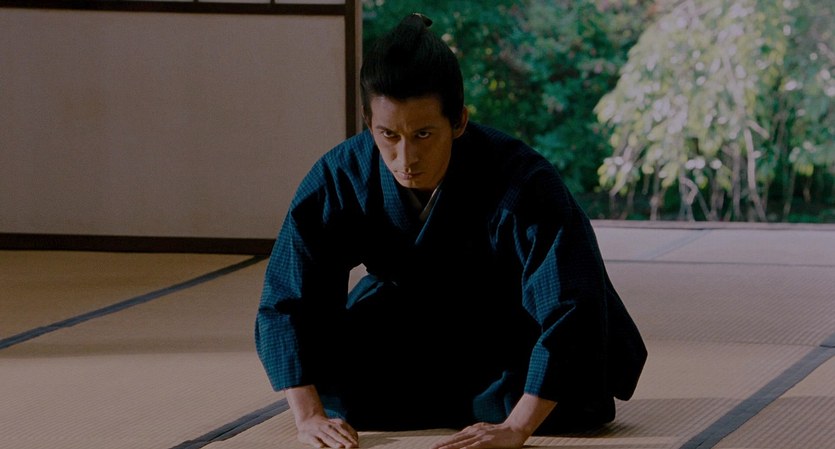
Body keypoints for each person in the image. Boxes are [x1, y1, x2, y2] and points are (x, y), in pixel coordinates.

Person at [255, 13, 647, 449]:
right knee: (337, 388)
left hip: (506, 325)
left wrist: (517, 428)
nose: (406, 157)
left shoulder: (523, 179)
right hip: (408, 322)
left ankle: (496, 405)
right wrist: (308, 416)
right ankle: (466, 401)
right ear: (368, 122)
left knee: (573, 398)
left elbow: (572, 303)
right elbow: (288, 295)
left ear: (459, 121)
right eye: (389, 135)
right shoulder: (341, 174)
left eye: (423, 134)